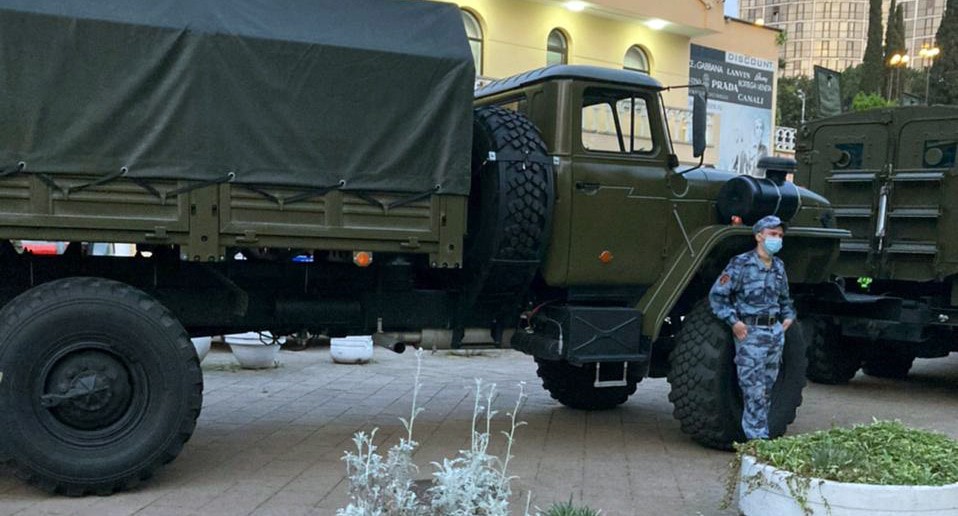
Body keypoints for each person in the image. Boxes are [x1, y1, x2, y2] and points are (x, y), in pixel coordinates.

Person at [708, 215, 796, 440]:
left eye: (780, 235)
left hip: (774, 334)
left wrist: (788, 317)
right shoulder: (741, 264)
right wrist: (734, 322)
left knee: (766, 389)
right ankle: (756, 440)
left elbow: (785, 299)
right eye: (772, 234)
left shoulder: (778, 266)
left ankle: (759, 435)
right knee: (753, 390)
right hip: (751, 334)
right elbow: (718, 296)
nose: (777, 239)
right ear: (759, 236)